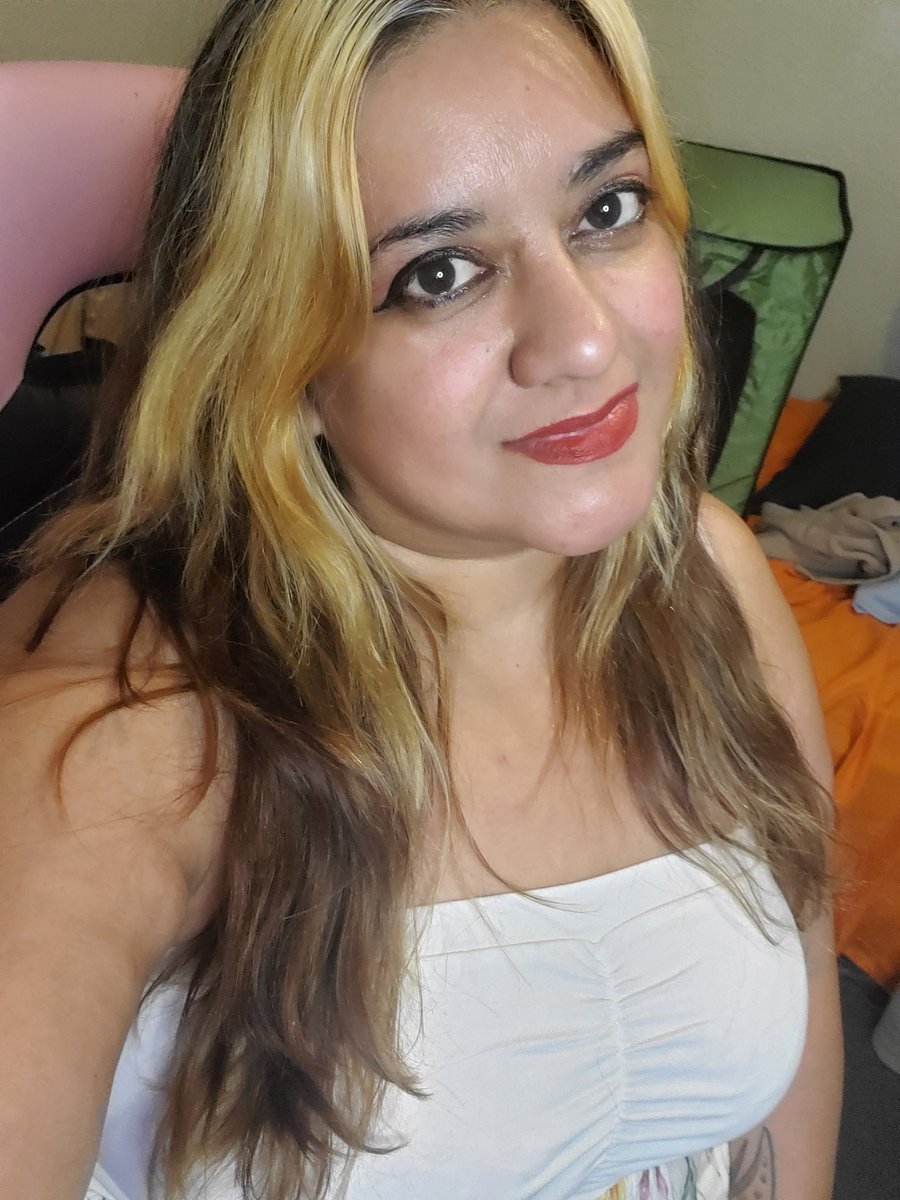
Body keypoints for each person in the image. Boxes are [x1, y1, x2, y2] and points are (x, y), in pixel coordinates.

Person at [0, 0, 843, 1196]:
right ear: (280, 362)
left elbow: (794, 1082)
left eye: (607, 210)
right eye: (438, 275)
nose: (584, 342)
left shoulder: (704, 567)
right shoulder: (124, 732)